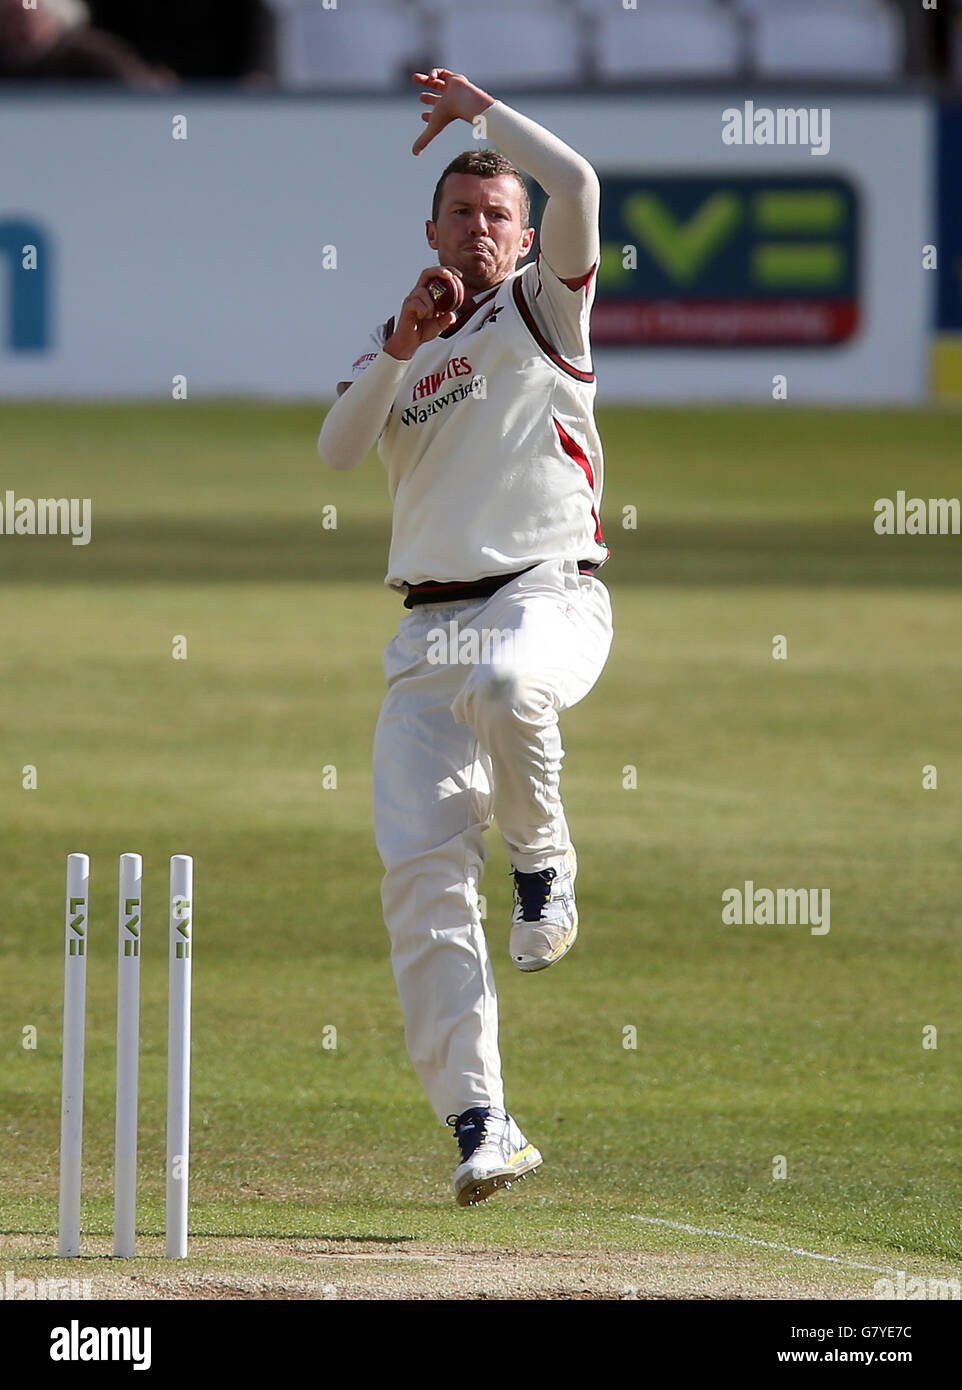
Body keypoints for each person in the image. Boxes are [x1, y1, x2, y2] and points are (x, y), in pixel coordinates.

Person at [317, 68, 613, 1207]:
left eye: (498, 215)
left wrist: (484, 116)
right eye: (461, 214)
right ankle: (480, 1123)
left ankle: (543, 865)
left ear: (524, 234)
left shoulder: (548, 306)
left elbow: (579, 177)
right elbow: (341, 452)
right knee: (421, 880)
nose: (481, 230)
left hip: (547, 593)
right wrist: (400, 341)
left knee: (508, 681)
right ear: (428, 227)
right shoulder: (400, 343)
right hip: (421, 632)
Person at [0, 0, 173, 87]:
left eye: (21, 20)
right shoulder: (6, 62)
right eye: (5, 21)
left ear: (50, 19)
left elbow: (143, 88)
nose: (14, 30)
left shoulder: (93, 55)